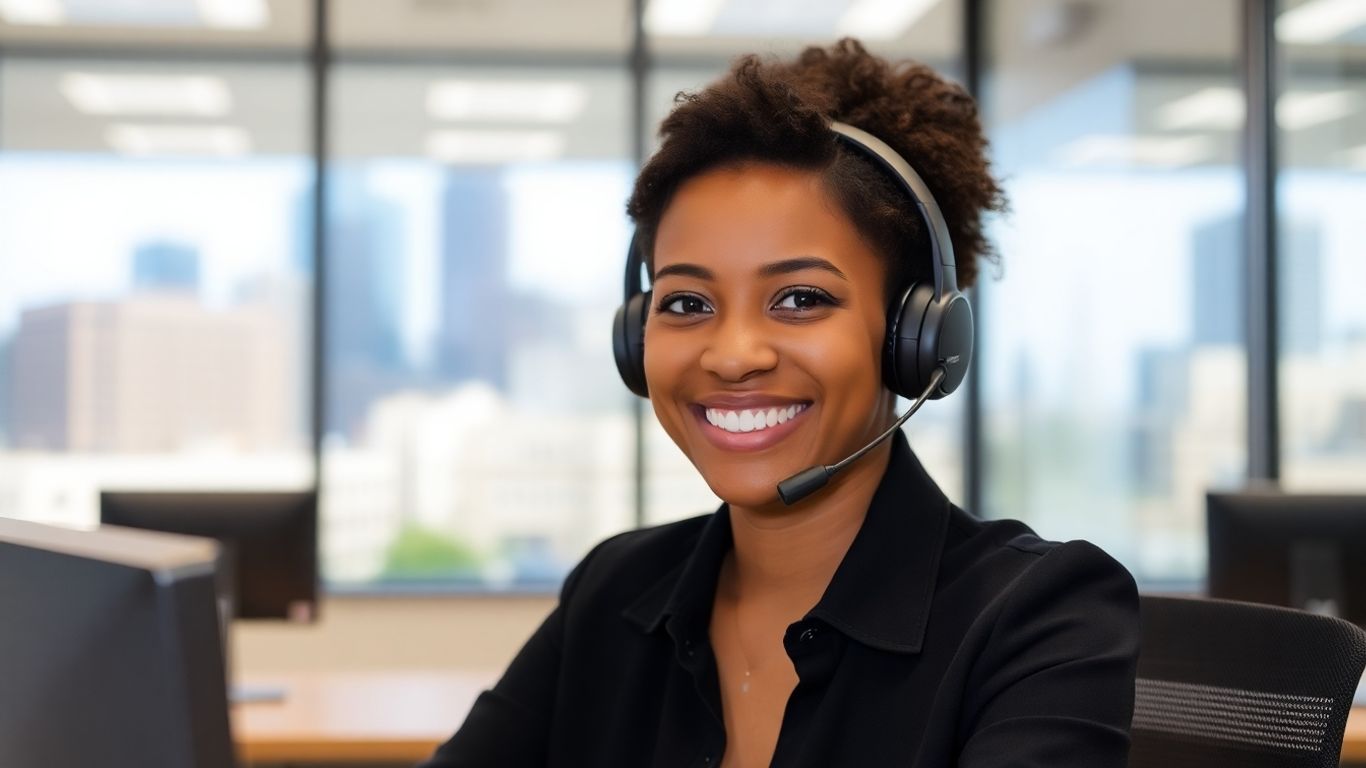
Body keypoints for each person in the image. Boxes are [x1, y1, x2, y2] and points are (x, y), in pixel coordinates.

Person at [418, 39, 1139, 768]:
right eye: (688, 301)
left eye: (800, 298)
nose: (733, 355)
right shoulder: (617, 592)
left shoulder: (1039, 616)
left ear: (913, 338)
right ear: (637, 338)